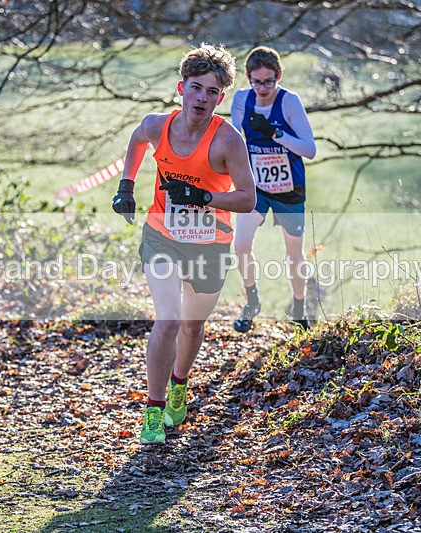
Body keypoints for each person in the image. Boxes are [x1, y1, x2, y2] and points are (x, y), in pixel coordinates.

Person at [111, 44, 256, 445]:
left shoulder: (228, 141)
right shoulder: (160, 126)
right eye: (196, 88)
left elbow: (248, 198)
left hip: (209, 244)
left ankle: (180, 383)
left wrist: (204, 198)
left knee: (192, 326)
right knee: (169, 320)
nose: (202, 98)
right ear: (181, 87)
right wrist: (126, 186)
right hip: (162, 235)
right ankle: (153, 411)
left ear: (221, 97)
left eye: (212, 92)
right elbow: (138, 138)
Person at [230, 46, 317, 333]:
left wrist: (276, 134)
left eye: (269, 81)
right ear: (248, 78)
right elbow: (236, 145)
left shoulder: (289, 102)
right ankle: (252, 301)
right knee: (241, 245)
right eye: (257, 81)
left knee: (294, 253)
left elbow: (310, 149)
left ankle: (299, 308)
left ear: (279, 76)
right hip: (256, 187)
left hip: (289, 188)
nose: (263, 88)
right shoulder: (242, 101)